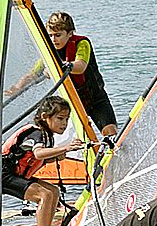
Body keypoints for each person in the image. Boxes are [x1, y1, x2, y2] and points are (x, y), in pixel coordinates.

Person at [3, 96, 82, 226]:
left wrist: (58, 155)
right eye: (60, 118)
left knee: (54, 191)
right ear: (45, 117)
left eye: (66, 119)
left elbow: (37, 158)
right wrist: (66, 148)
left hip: (16, 176)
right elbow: (38, 154)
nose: (64, 124)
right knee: (44, 195)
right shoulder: (37, 133)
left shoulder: (47, 137)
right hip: (3, 176)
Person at [44, 11, 118, 139]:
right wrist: (18, 87)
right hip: (73, 103)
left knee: (110, 133)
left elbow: (80, 66)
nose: (53, 40)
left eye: (58, 35)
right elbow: (34, 73)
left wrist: (64, 66)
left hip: (96, 99)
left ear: (70, 33)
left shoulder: (82, 44)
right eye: (50, 35)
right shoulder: (50, 49)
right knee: (78, 140)